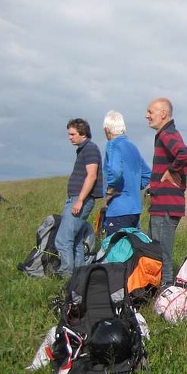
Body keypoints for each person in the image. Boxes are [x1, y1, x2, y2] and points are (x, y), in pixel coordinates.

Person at [145, 98, 187, 286]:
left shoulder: (167, 134)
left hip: (166, 206)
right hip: (161, 204)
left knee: (161, 255)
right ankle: (158, 291)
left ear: (163, 114)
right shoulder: (166, 134)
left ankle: (165, 293)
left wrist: (172, 172)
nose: (147, 116)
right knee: (156, 252)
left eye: (150, 112)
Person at [55, 118, 104, 277]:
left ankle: (66, 274)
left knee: (63, 240)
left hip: (80, 199)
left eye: (72, 134)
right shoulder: (84, 149)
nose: (70, 137)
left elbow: (91, 176)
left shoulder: (90, 149)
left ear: (83, 133)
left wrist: (80, 200)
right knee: (75, 241)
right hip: (77, 199)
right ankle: (80, 275)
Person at [102, 110, 151, 235]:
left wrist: (110, 191)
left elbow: (115, 171)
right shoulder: (132, 147)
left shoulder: (113, 145)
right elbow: (147, 174)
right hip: (134, 209)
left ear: (107, 129)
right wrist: (133, 187)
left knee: (115, 251)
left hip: (118, 208)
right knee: (130, 250)